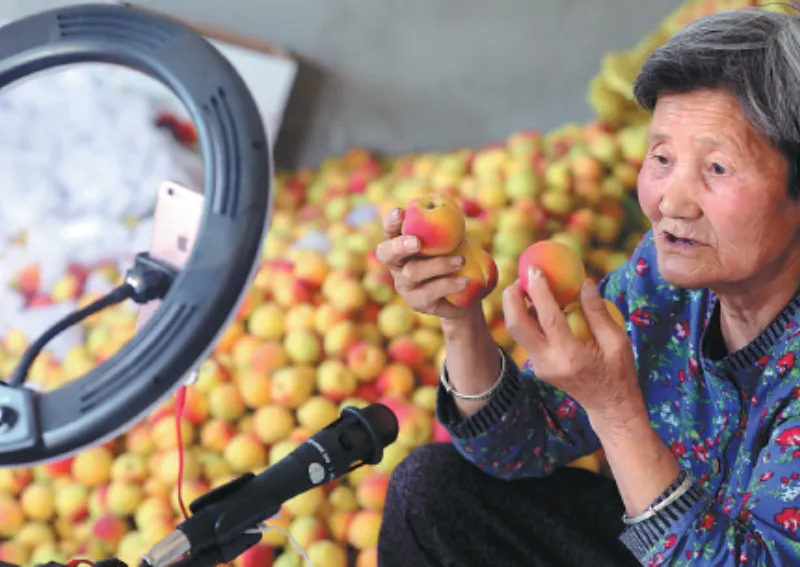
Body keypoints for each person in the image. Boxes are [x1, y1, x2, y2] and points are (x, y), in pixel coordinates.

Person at [373, 7, 800, 567]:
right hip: (664, 547)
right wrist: (460, 318)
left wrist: (617, 412)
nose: (670, 202)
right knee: (431, 492)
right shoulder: (665, 284)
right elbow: (518, 446)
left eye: (717, 169)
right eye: (662, 157)